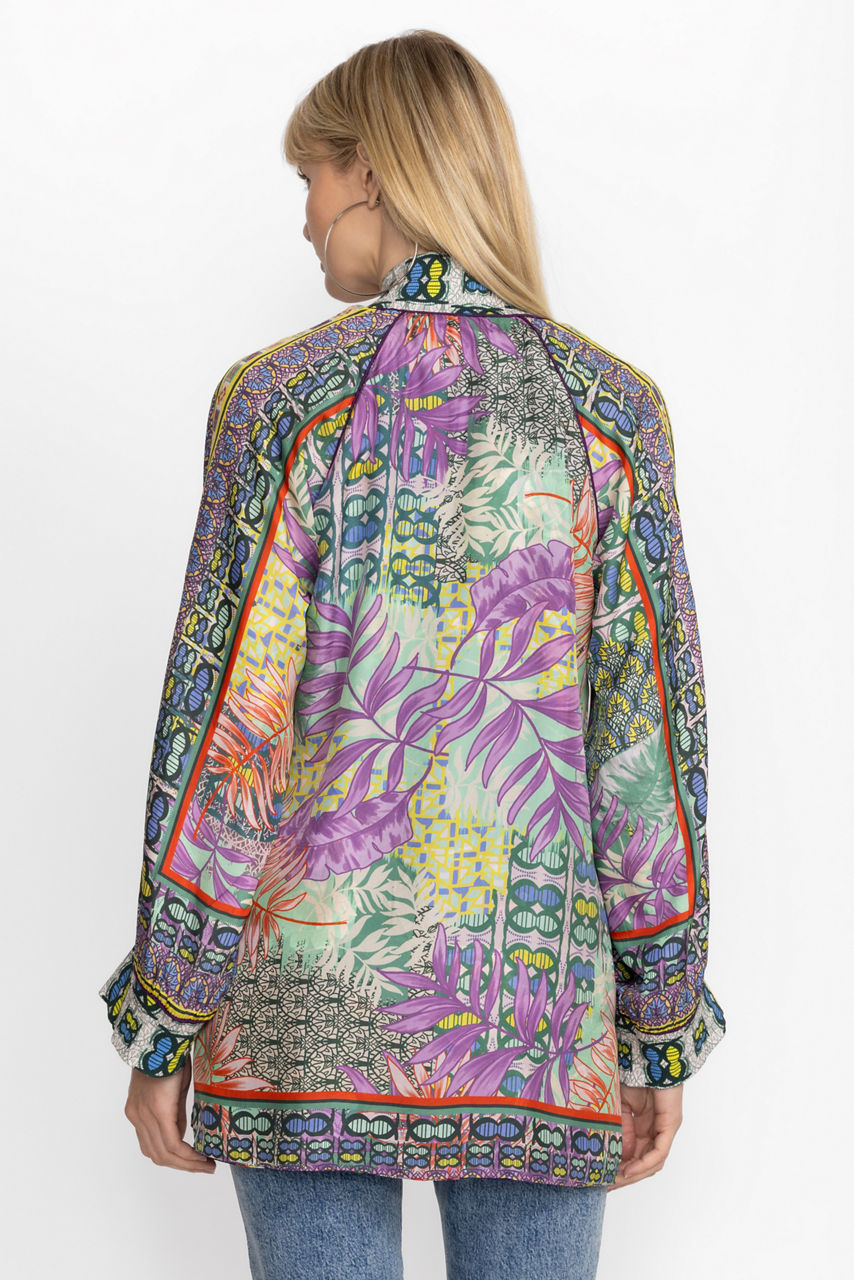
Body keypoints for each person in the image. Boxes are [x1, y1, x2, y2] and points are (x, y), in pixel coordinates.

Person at [98, 27, 726, 1280]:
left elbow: (225, 739)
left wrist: (164, 1015)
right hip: (534, 1019)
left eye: (310, 178)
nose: (304, 217)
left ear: (373, 171)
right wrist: (657, 1021)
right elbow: (646, 752)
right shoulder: (609, 416)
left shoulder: (283, 404)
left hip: (303, 1014)